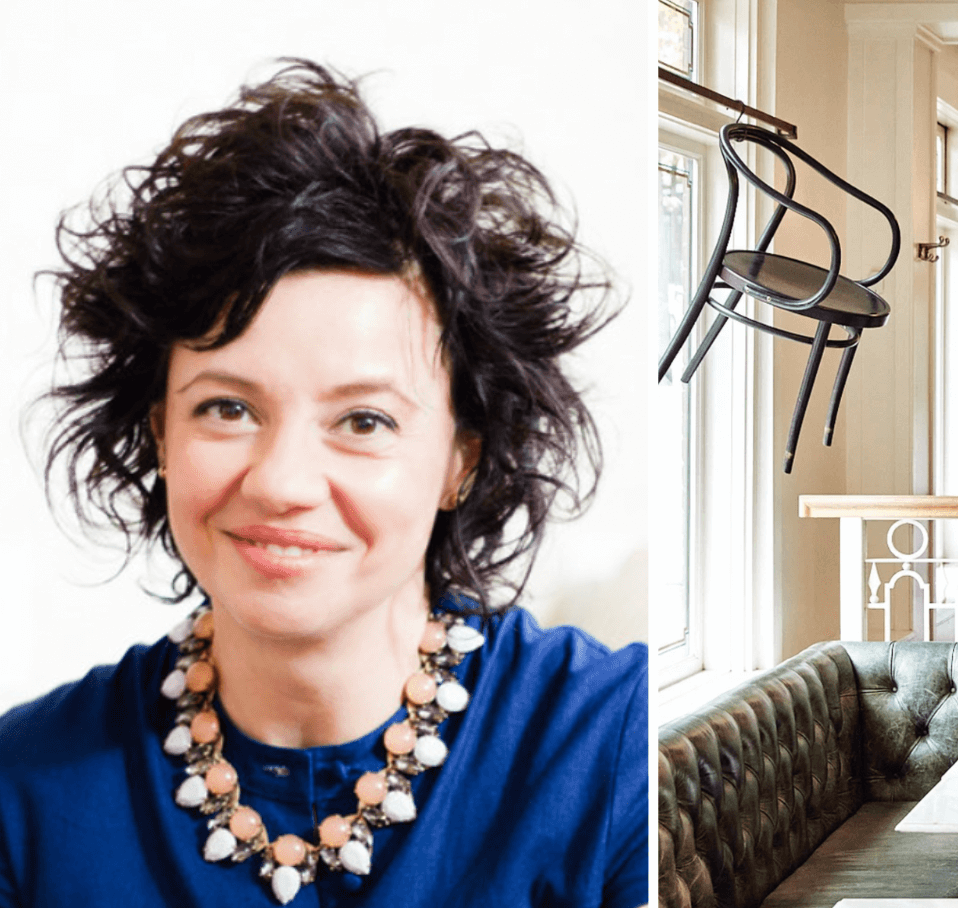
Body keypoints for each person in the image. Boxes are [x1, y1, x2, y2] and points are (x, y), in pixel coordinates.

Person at [0, 61, 646, 907]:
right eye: (227, 408)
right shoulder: (26, 794)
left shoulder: (613, 748)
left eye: (364, 421)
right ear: (159, 429)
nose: (281, 481)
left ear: (464, 458)